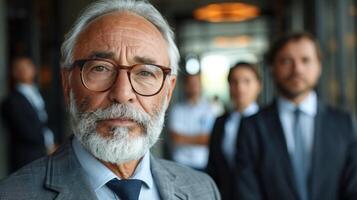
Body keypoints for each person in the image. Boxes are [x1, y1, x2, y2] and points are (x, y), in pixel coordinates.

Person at [0, 1, 221, 199]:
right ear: (67, 85)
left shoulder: (202, 190)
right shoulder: (13, 194)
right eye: (101, 68)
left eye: (145, 72)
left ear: (169, 91)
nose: (123, 93)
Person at [236, 32, 357, 200]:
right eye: (286, 61)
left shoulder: (343, 123)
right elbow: (247, 191)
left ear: (319, 67)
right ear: (272, 67)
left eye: (305, 60)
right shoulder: (251, 126)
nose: (297, 69)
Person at [206, 62, 261, 200]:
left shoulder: (268, 123)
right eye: (234, 82)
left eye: (246, 81)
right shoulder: (220, 122)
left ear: (258, 85)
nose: (240, 88)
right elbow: (213, 165)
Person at [1, 56, 56, 173]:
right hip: (26, 158)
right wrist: (48, 144)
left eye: (27, 67)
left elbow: (50, 121)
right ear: (14, 73)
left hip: (47, 154)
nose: (24, 71)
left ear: (34, 70)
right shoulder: (11, 101)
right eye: (19, 68)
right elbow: (26, 131)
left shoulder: (41, 93)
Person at [169, 73, 216, 171]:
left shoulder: (209, 109)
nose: (193, 87)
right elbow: (175, 138)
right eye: (190, 83)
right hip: (180, 162)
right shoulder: (177, 109)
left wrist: (184, 138)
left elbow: (209, 139)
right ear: (185, 86)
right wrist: (199, 139)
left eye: (196, 83)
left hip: (202, 163)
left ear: (200, 85)